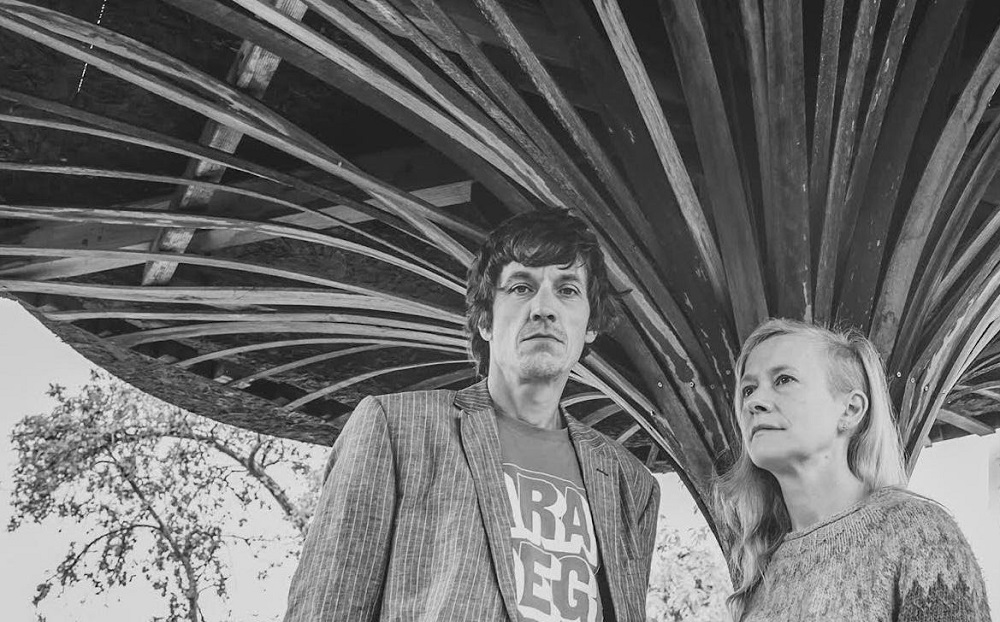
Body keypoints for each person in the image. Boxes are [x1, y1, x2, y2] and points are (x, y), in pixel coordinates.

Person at [283, 208, 660, 622]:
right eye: (521, 287)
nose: (543, 308)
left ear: (590, 326)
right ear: (485, 321)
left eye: (568, 290)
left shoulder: (630, 483)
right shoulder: (395, 428)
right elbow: (327, 607)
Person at [714, 318, 992, 621]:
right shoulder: (761, 571)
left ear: (851, 409)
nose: (754, 402)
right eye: (748, 389)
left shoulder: (919, 533)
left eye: (783, 380)